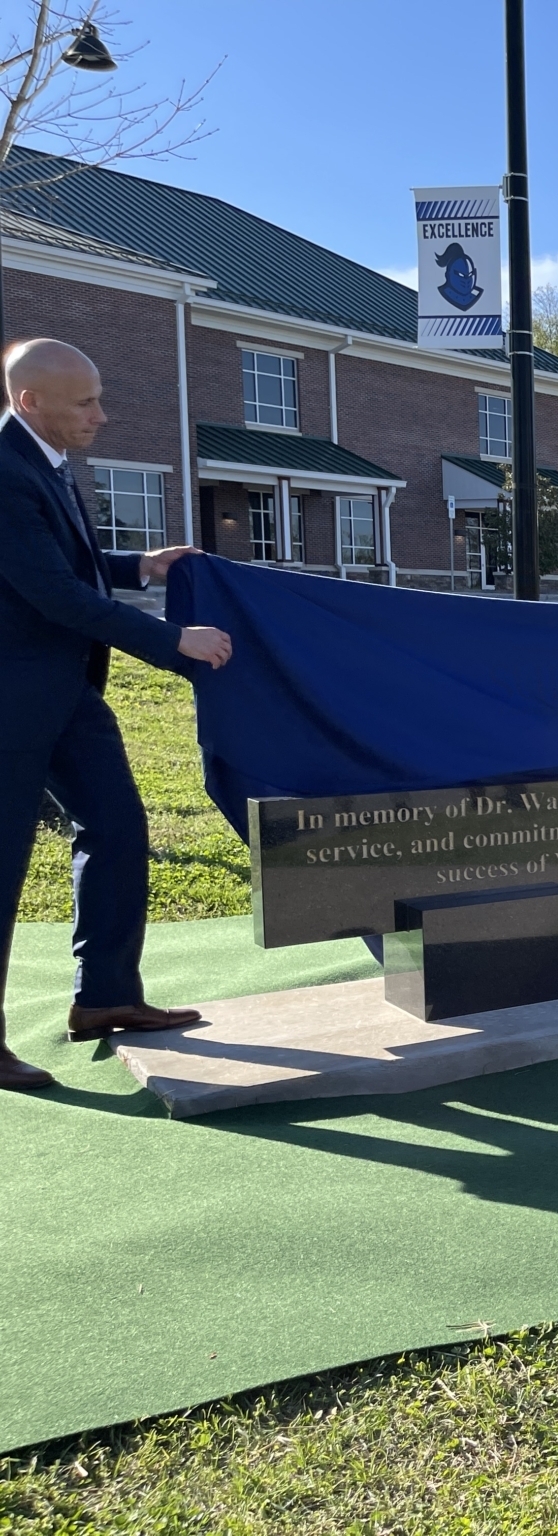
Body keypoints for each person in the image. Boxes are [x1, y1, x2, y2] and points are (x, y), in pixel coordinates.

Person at [0, 338, 234, 1092]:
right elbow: (54, 595)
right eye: (85, 403)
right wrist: (175, 642)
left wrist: (143, 566)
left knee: (117, 826)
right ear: (29, 400)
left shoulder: (45, 457)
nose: (101, 415)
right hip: (11, 698)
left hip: (67, 691)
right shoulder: (4, 470)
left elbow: (66, 564)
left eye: (99, 397)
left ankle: (105, 998)